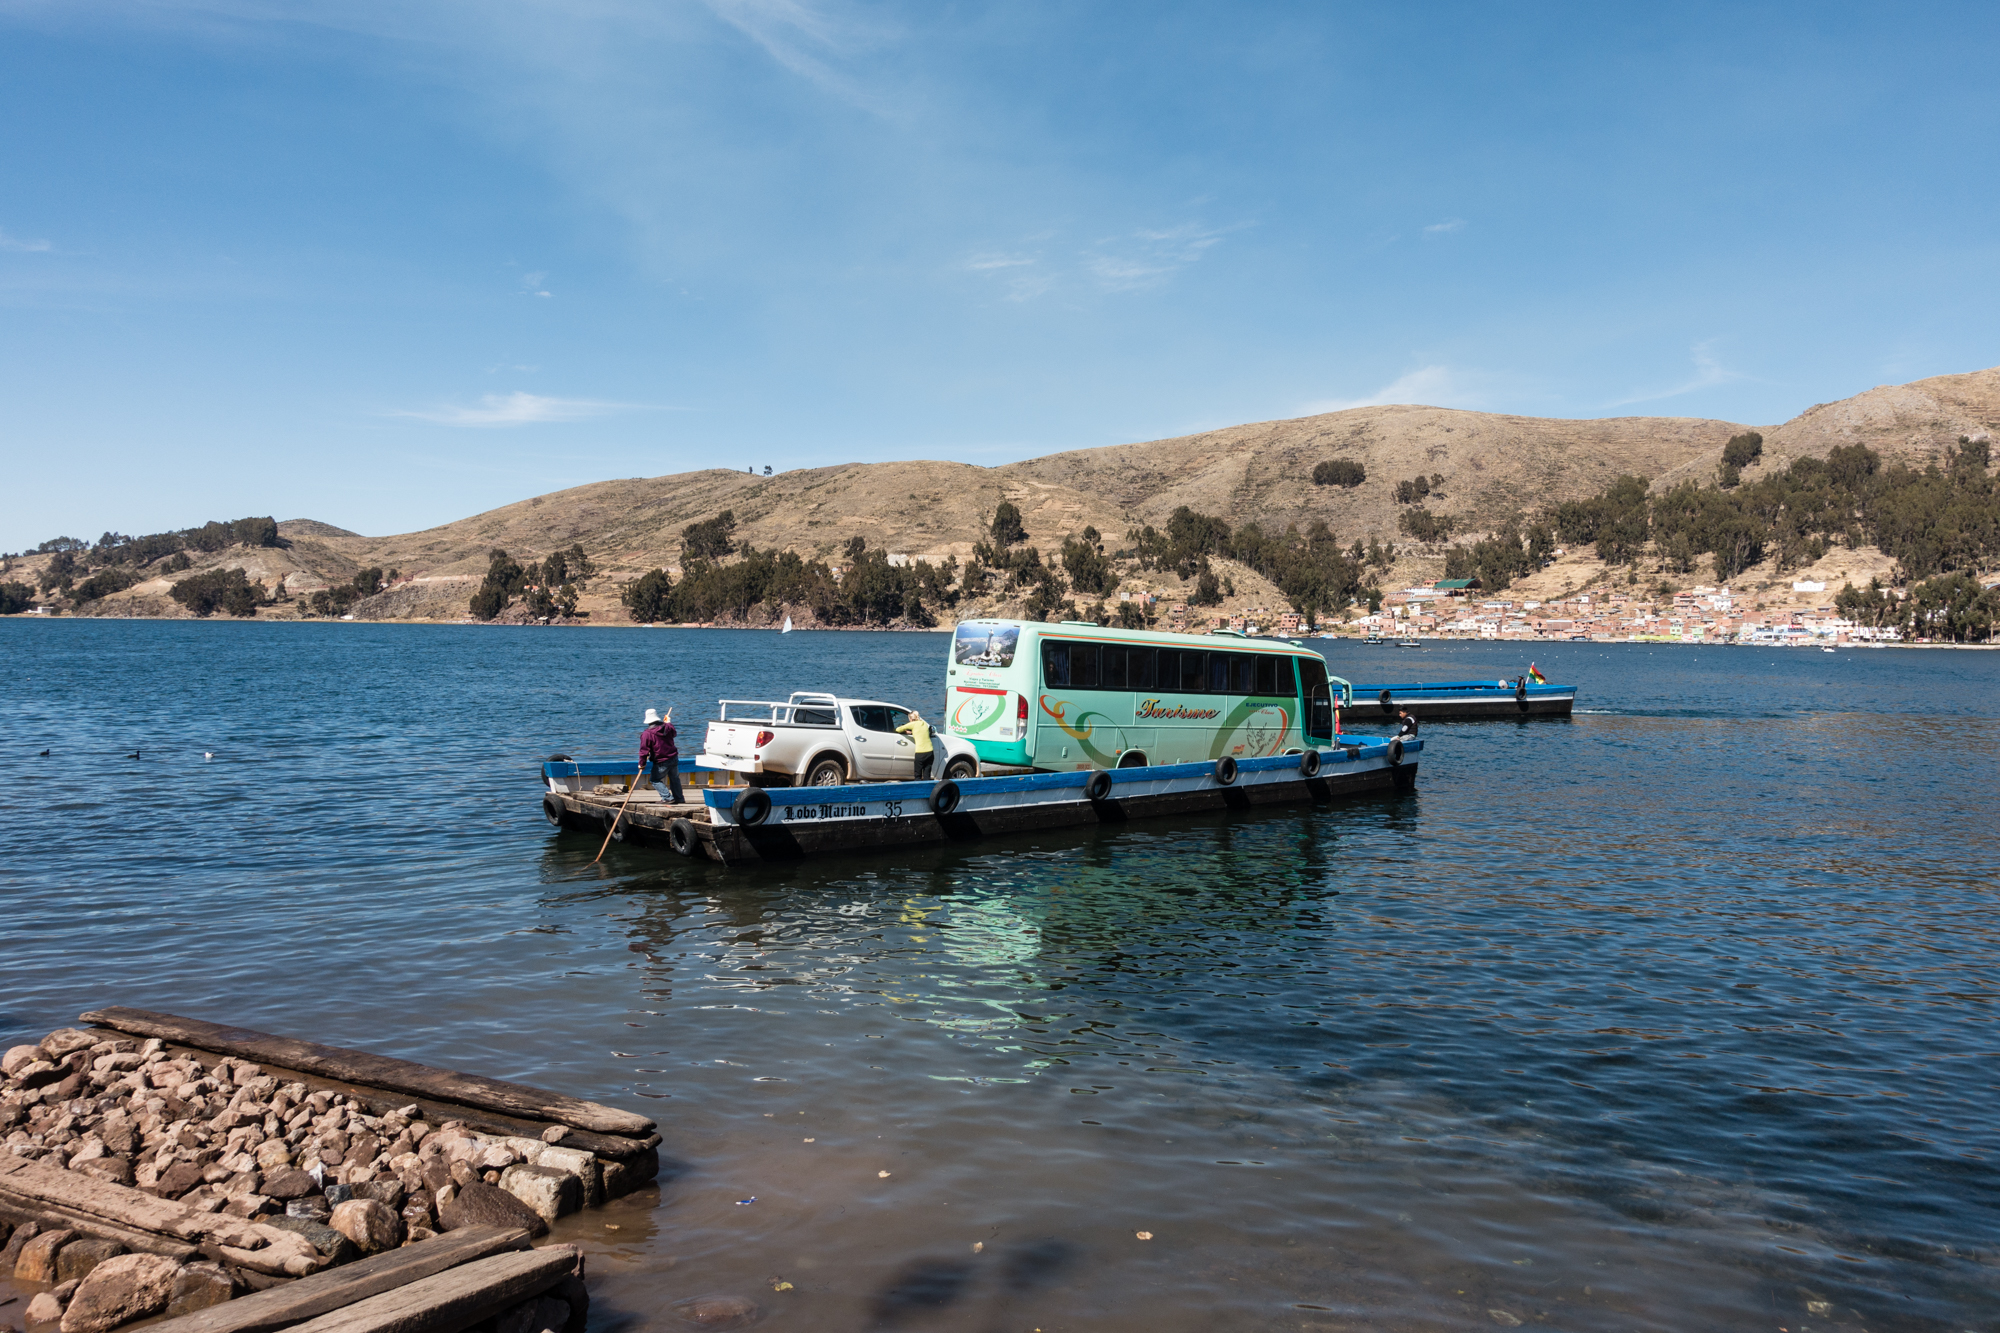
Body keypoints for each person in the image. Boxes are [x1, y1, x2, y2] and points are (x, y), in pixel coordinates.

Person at [640, 706, 683, 804]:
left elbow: (644, 751)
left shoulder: (647, 734)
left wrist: (641, 763)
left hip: (661, 761)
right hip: (673, 757)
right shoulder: (667, 727)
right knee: (674, 778)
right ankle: (679, 798)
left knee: (654, 779)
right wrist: (668, 722)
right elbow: (674, 733)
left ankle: (667, 797)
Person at [898, 709, 935, 780]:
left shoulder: (912, 724)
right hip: (930, 752)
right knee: (927, 775)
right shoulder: (924, 723)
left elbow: (898, 729)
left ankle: (919, 789)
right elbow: (923, 731)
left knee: (917, 775)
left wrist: (906, 731)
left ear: (911, 719)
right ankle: (927, 789)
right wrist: (912, 732)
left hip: (920, 753)